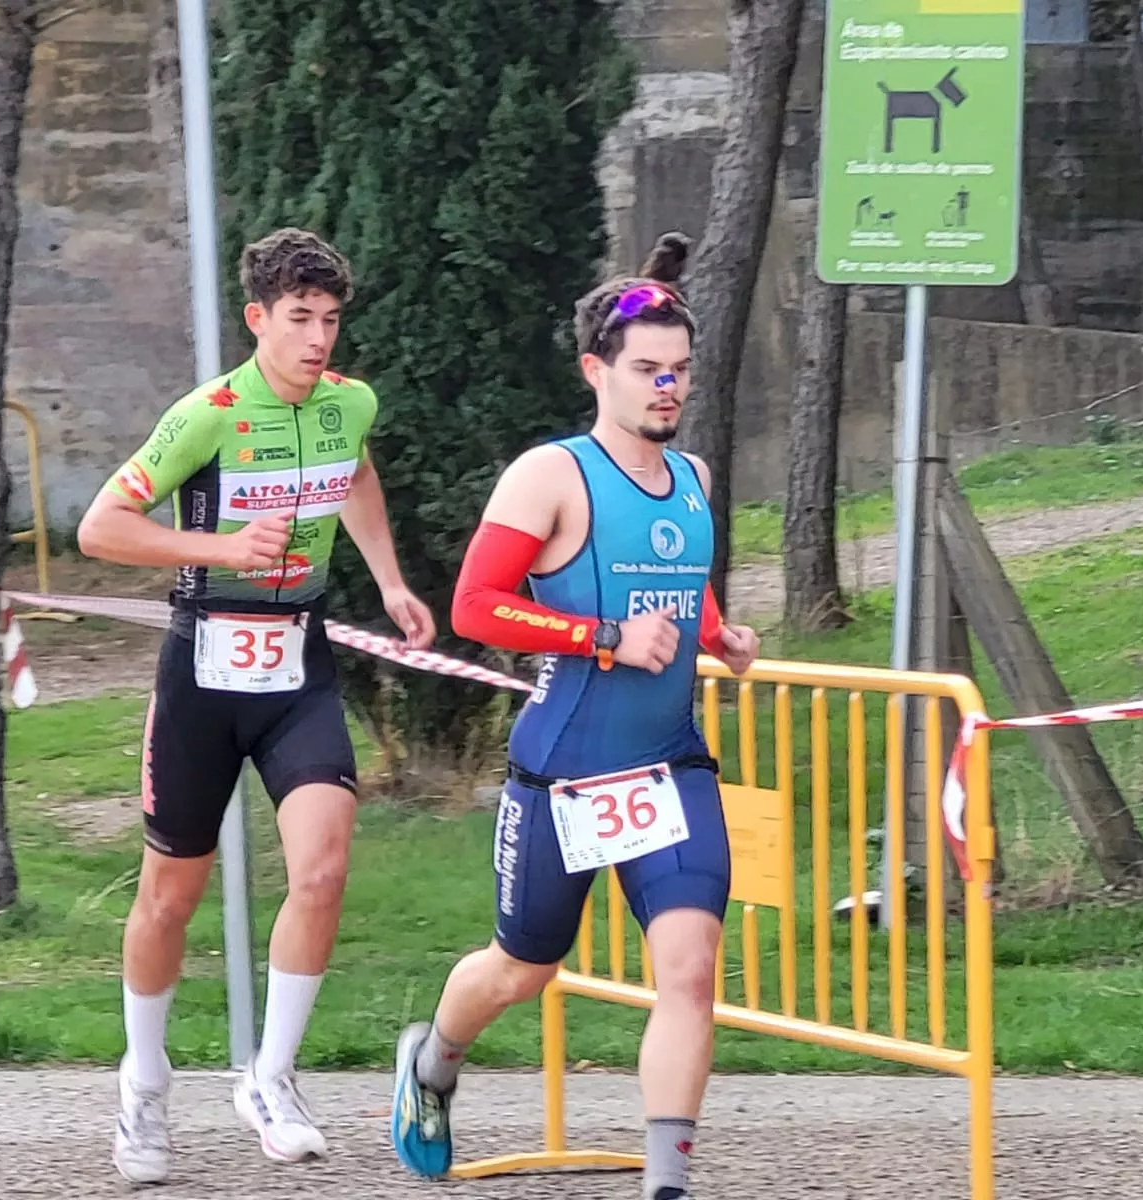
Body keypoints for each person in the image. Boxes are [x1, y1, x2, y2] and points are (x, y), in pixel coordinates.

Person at [387, 231, 759, 1199]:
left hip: (669, 769)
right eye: (647, 371)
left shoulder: (697, 479)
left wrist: (717, 635)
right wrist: (601, 639)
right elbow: (475, 607)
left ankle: (666, 1183)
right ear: (598, 373)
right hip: (563, 777)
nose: (668, 389)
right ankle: (430, 1064)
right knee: (522, 969)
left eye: (679, 372)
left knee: (687, 969)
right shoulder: (548, 476)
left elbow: (679, 583)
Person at [77, 227, 436, 1184]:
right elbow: (101, 527)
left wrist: (391, 583)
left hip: (297, 668)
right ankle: (144, 1086)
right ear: (257, 320)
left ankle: (270, 1076)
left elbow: (355, 471)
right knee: (171, 894)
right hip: (203, 668)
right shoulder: (210, 414)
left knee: (322, 870)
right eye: (300, 320)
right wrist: (223, 551)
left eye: (330, 320)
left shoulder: (348, 404)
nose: (318, 339)